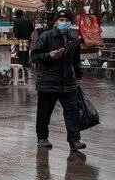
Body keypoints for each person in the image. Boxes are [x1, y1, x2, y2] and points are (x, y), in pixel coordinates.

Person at [30, 9, 85, 151]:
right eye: (61, 20)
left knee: (72, 111)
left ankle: (74, 140)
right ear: (56, 22)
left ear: (71, 22)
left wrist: (78, 76)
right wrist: (50, 55)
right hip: (48, 81)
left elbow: (76, 61)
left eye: (67, 20)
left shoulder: (74, 38)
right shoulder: (46, 36)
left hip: (68, 82)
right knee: (44, 112)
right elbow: (34, 57)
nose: (64, 23)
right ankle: (42, 138)